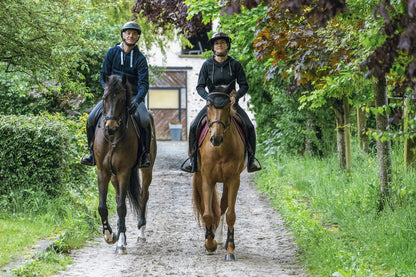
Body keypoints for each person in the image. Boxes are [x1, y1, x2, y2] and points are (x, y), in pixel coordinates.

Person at [180, 32, 261, 173]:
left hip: (230, 104)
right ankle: (193, 161)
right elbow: (199, 87)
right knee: (193, 126)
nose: (220, 45)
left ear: (227, 45)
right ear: (213, 46)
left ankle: (251, 160)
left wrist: (236, 96)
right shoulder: (207, 65)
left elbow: (244, 85)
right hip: (213, 104)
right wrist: (207, 97)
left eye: (222, 43)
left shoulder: (235, 65)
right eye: (217, 43)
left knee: (249, 126)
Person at [80, 21, 151, 168]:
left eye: (134, 33)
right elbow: (103, 75)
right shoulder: (112, 53)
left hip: (133, 98)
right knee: (91, 119)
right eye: (128, 33)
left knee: (145, 121)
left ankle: (145, 154)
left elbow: (144, 85)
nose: (131, 36)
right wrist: (108, 91)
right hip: (112, 97)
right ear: (123, 35)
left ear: (138, 37)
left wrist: (137, 101)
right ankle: (91, 154)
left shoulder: (140, 59)